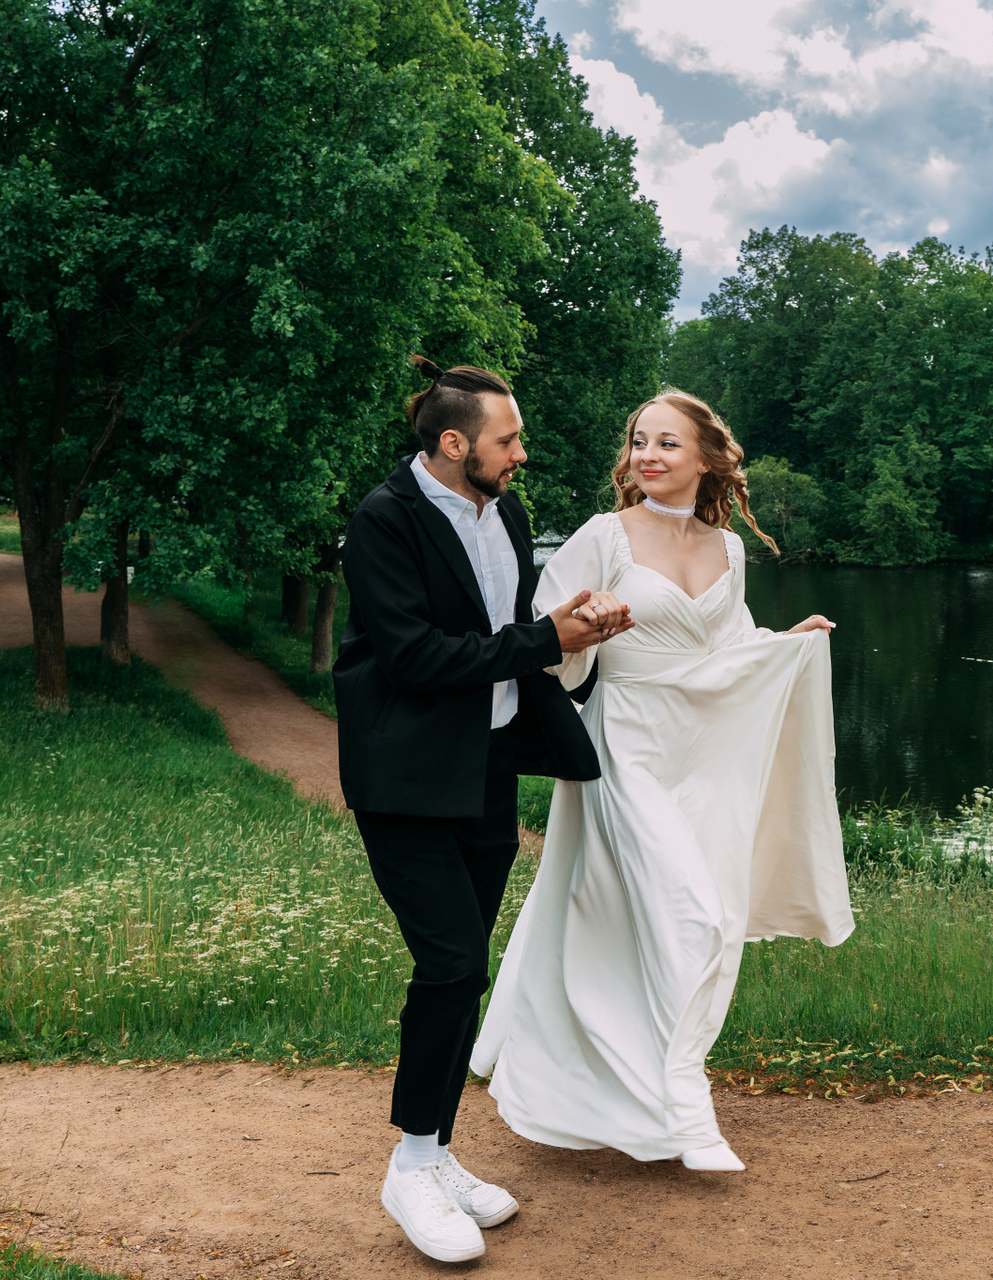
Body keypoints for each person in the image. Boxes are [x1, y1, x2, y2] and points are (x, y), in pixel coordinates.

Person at [470, 390, 853, 1172]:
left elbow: (729, 650)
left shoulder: (729, 550)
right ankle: (684, 1103)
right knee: (691, 914)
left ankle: (637, 1085)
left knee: (694, 916)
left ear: (707, 459)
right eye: (640, 441)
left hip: (703, 755)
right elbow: (546, 642)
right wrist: (584, 630)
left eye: (667, 443)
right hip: (627, 745)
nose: (647, 455)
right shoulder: (603, 536)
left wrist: (786, 644)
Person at [334, 356, 632, 1263]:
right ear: (455, 443)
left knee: (466, 971)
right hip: (405, 778)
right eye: (509, 440)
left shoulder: (506, 512)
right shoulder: (383, 520)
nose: (522, 454)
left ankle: (434, 1152)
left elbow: (505, 631)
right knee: (452, 963)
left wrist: (572, 627)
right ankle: (409, 1168)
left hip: (486, 770)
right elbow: (415, 657)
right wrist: (542, 639)